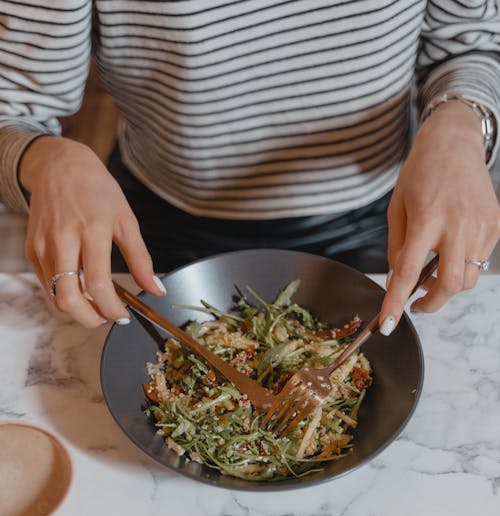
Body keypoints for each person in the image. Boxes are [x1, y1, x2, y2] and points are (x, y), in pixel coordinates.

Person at [0, 1, 499, 334]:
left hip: (385, 218)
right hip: (154, 228)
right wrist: (46, 159)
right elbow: (12, 104)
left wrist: (460, 122)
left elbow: (470, 42)